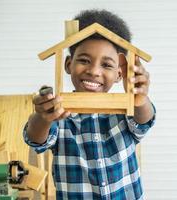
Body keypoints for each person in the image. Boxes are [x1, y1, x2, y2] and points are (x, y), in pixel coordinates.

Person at [23, 9, 155, 200]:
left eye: (107, 65)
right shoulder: (60, 114)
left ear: (120, 74)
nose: (93, 71)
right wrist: (42, 117)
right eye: (84, 60)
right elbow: (36, 139)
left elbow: (145, 120)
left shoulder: (126, 110)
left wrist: (140, 98)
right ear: (68, 64)